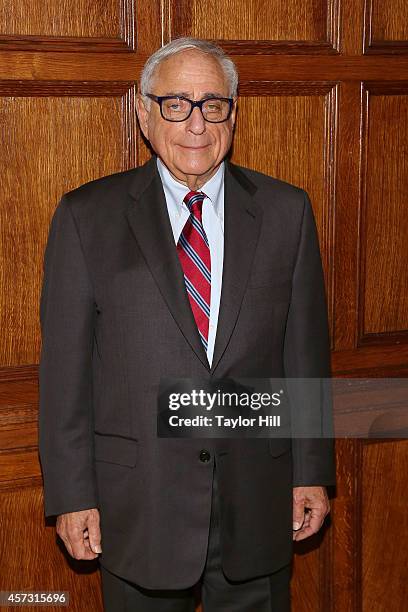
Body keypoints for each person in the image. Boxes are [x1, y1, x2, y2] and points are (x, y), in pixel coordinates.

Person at [39, 37, 335, 612]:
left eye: (213, 104)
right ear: (144, 113)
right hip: (138, 509)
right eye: (176, 103)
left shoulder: (286, 212)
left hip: (259, 502)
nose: (196, 123)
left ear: (233, 114)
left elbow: (306, 356)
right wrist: (73, 495)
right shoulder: (86, 218)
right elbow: (65, 376)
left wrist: (312, 471)